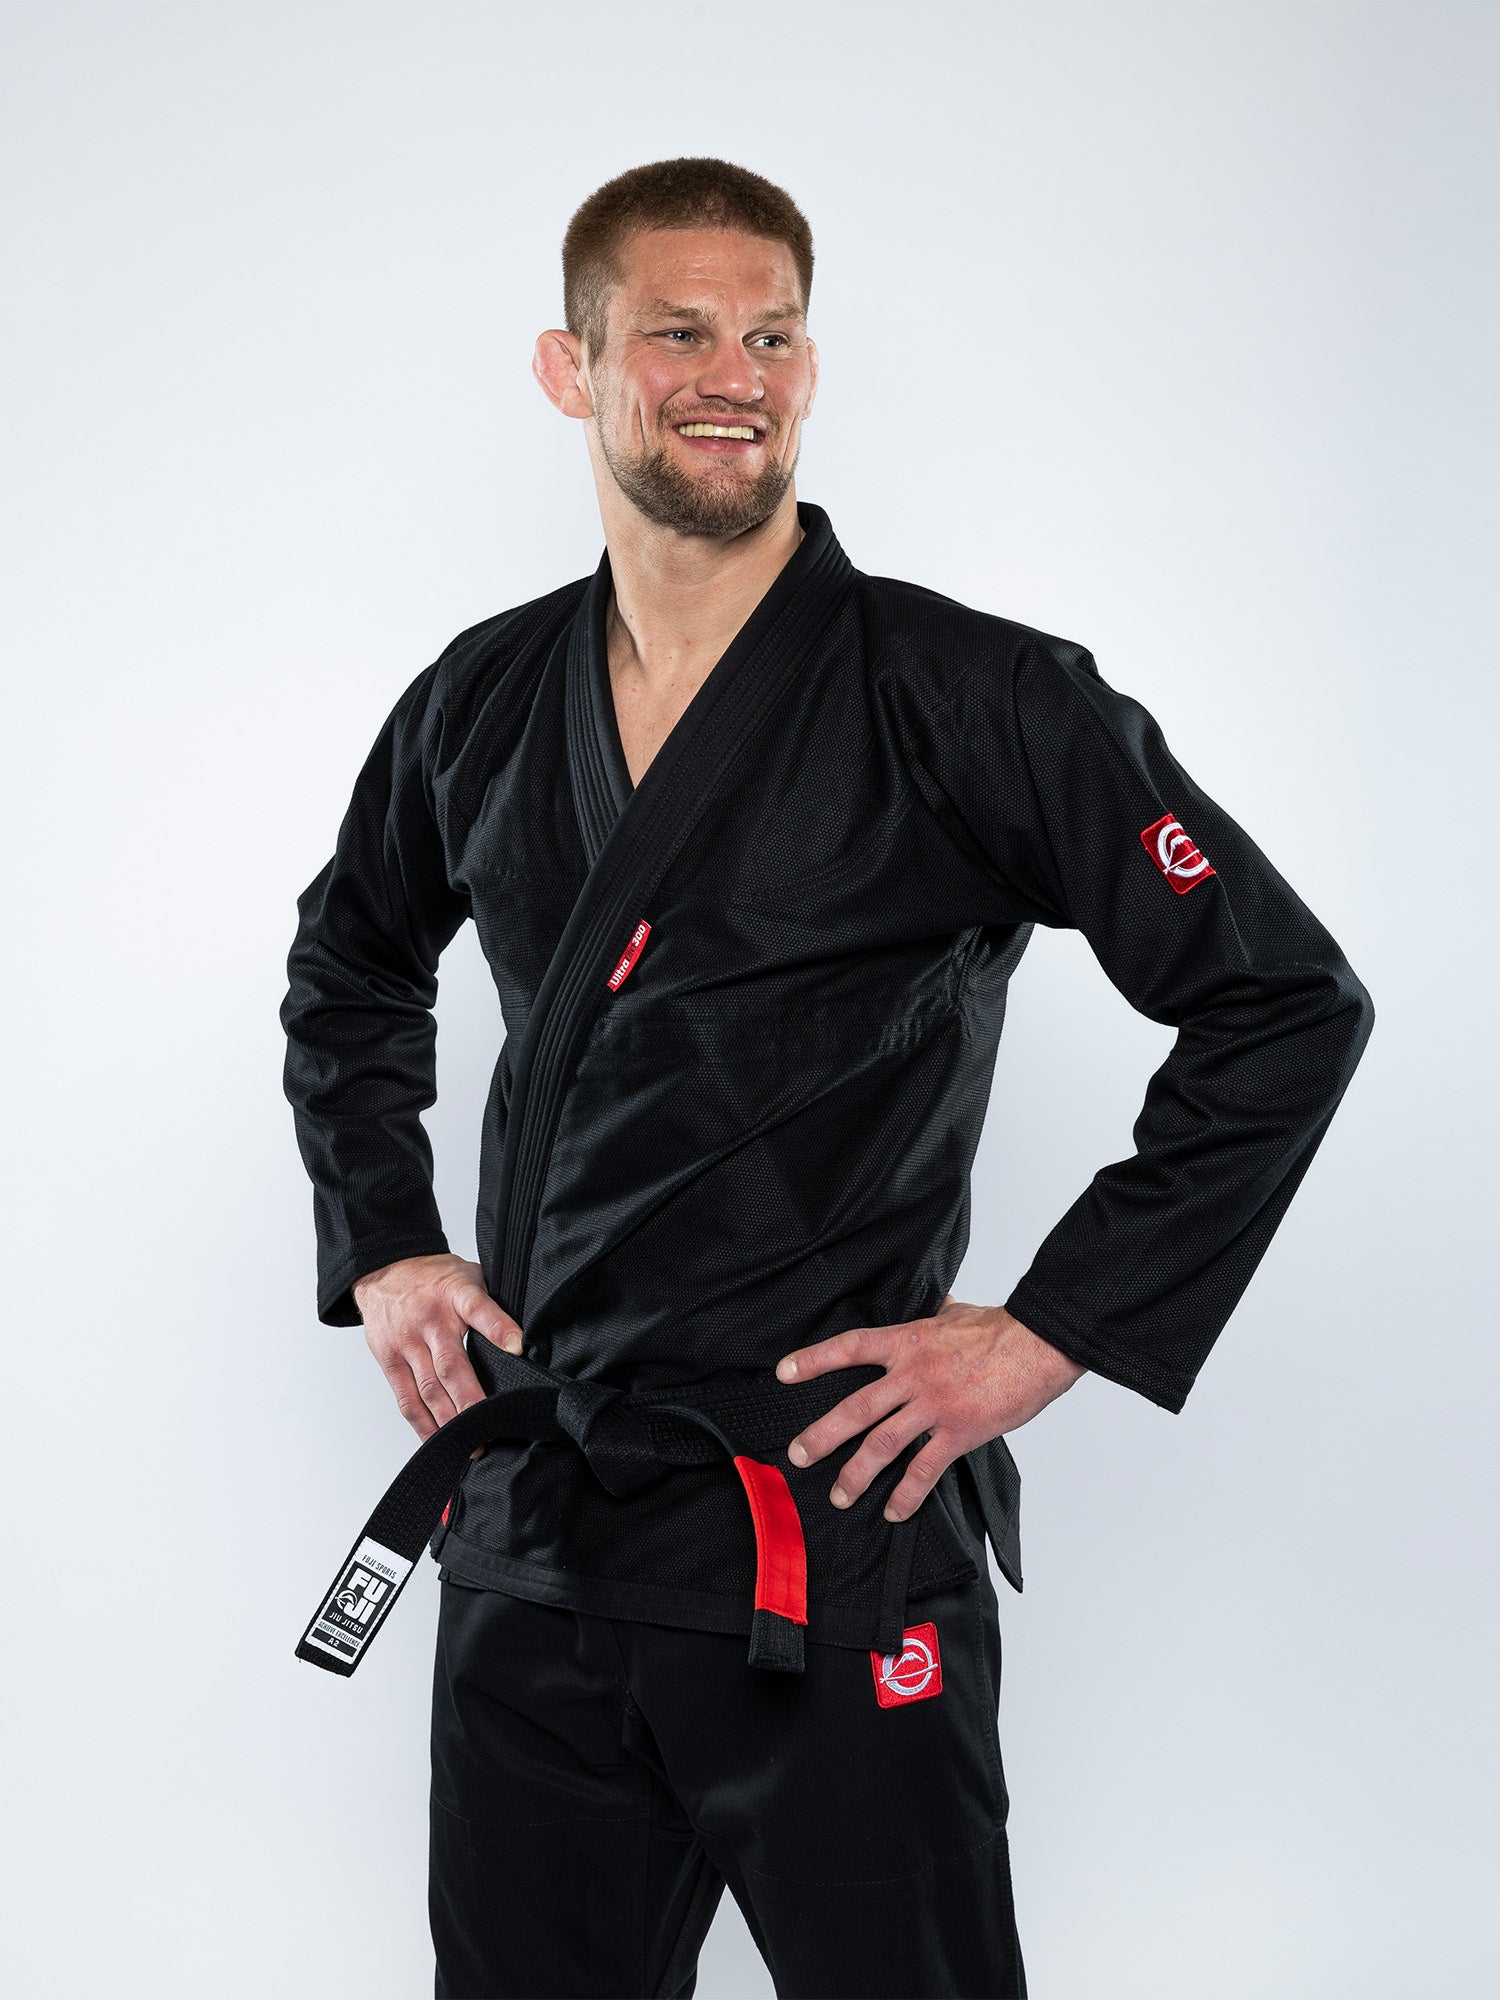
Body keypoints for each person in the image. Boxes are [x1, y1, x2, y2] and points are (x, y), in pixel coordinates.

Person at [280, 156, 1375, 2000]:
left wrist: (1049, 1331)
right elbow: (350, 961)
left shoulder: (979, 697)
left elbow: (1282, 1002)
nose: (737, 374)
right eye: (681, 331)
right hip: (537, 1532)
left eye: (774, 334)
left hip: (829, 1524)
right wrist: (386, 1240)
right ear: (572, 367)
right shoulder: (480, 696)